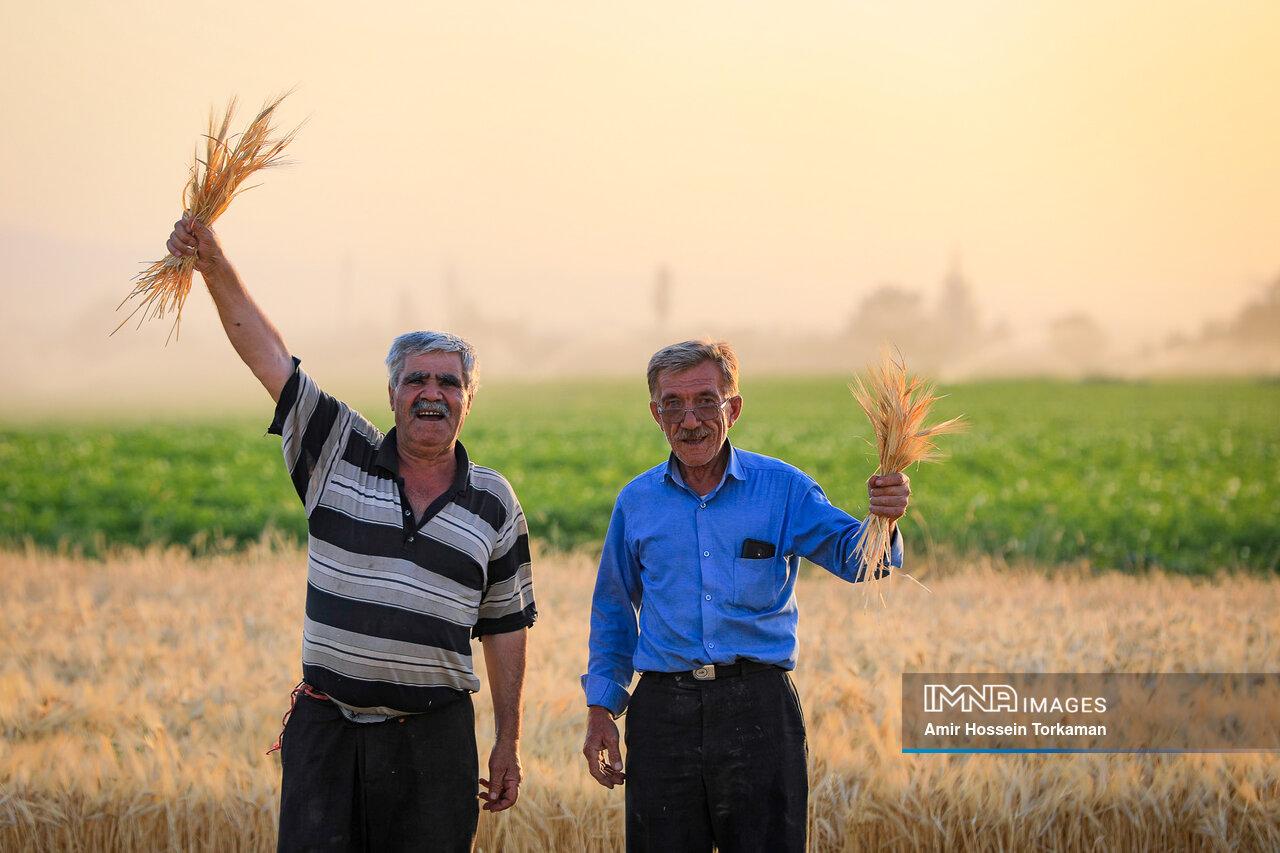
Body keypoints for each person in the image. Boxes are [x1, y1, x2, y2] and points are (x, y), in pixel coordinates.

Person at [165, 217, 536, 853]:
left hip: (434, 743)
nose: (431, 392)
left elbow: (504, 627)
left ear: (468, 400)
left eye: (449, 381)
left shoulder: (494, 502)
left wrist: (507, 742)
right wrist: (214, 265)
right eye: (416, 379)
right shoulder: (338, 450)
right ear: (391, 392)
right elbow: (269, 355)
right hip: (328, 735)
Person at [580, 339, 911, 853]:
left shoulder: (783, 489)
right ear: (655, 414)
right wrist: (602, 709)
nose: (690, 420)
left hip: (758, 708)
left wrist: (885, 521)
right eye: (673, 404)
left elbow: (858, 560)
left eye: (706, 401)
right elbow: (613, 611)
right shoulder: (636, 502)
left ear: (733, 408)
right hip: (662, 715)